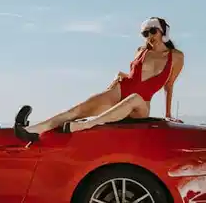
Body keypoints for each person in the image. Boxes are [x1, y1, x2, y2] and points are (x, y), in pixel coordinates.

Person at [13, 16, 185, 142]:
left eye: (153, 31)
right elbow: (137, 76)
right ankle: (34, 130)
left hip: (140, 104)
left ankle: (89, 123)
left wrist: (168, 114)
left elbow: (168, 85)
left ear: (163, 32)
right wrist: (122, 76)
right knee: (79, 109)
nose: (150, 36)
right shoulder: (141, 50)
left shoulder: (176, 57)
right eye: (145, 33)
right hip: (121, 90)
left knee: (134, 99)